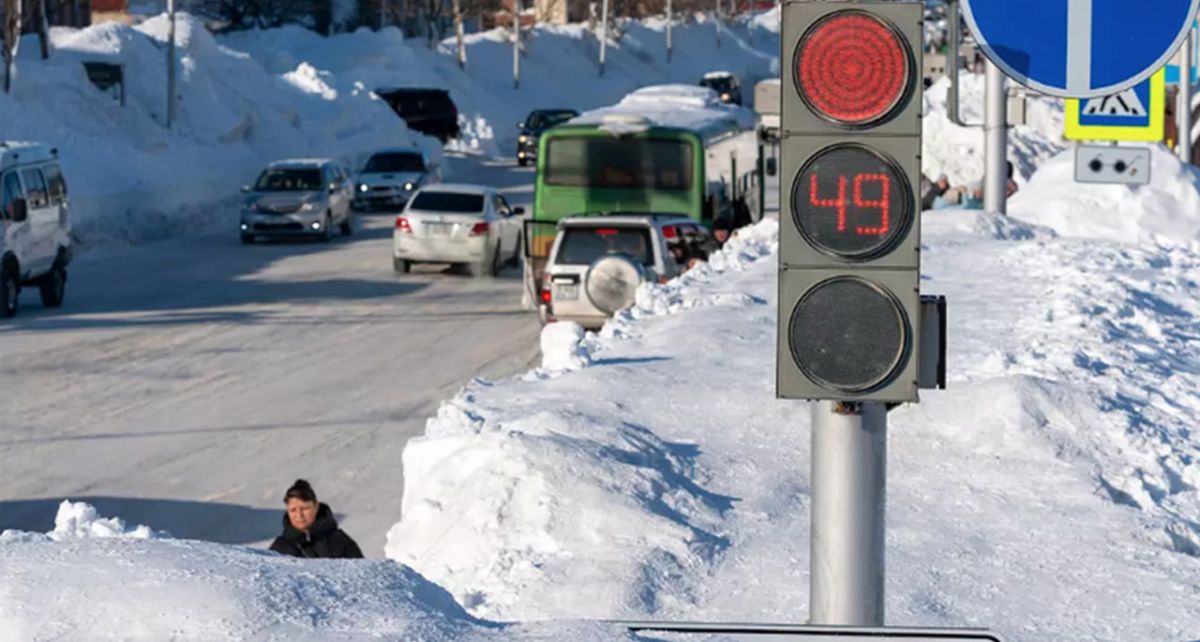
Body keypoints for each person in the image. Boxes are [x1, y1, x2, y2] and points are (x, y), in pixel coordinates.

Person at [269, 479, 363, 559]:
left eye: (305, 508)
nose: (299, 515)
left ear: (316, 506)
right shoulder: (279, 548)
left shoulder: (340, 541)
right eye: (293, 510)